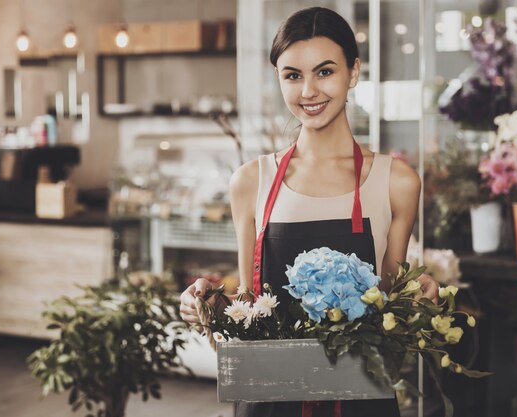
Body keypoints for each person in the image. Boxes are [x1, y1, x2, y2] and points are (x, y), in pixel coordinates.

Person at [180, 6, 439, 417]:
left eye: (325, 71)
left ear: (353, 72)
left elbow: (389, 299)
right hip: (270, 401)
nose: (308, 92)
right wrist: (206, 305)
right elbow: (250, 301)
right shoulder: (251, 181)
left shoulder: (396, 181)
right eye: (293, 75)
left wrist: (419, 295)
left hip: (361, 400)